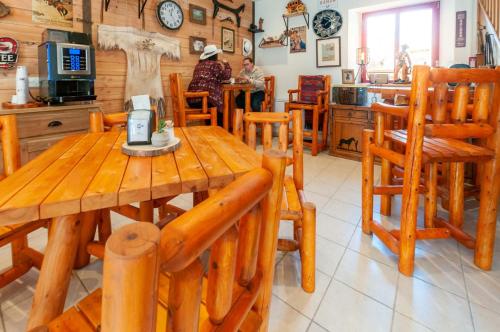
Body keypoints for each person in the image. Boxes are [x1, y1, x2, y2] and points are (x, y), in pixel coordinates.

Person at [188, 44, 232, 125]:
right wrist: (226, 64)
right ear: (215, 55)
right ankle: (218, 133)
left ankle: (210, 131)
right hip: (203, 100)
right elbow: (226, 76)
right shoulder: (214, 64)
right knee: (217, 108)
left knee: (211, 101)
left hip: (191, 100)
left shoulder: (198, 65)